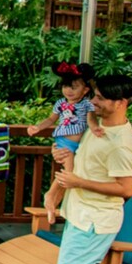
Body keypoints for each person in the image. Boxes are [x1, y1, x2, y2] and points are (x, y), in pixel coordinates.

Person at [44, 74, 132, 264]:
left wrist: (78, 182)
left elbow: (126, 188)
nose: (93, 101)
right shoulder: (96, 126)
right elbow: (80, 162)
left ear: (121, 103)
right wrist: (62, 170)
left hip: (97, 218)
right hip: (80, 211)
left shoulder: (120, 143)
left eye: (100, 98)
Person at [30, 61, 97, 210]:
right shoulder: (60, 103)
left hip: (79, 145)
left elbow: (91, 120)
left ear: (85, 90)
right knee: (69, 172)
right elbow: (51, 119)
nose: (68, 91)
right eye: (65, 86)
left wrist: (96, 129)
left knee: (71, 172)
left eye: (74, 87)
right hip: (64, 142)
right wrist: (38, 127)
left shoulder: (86, 104)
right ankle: (50, 195)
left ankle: (53, 204)